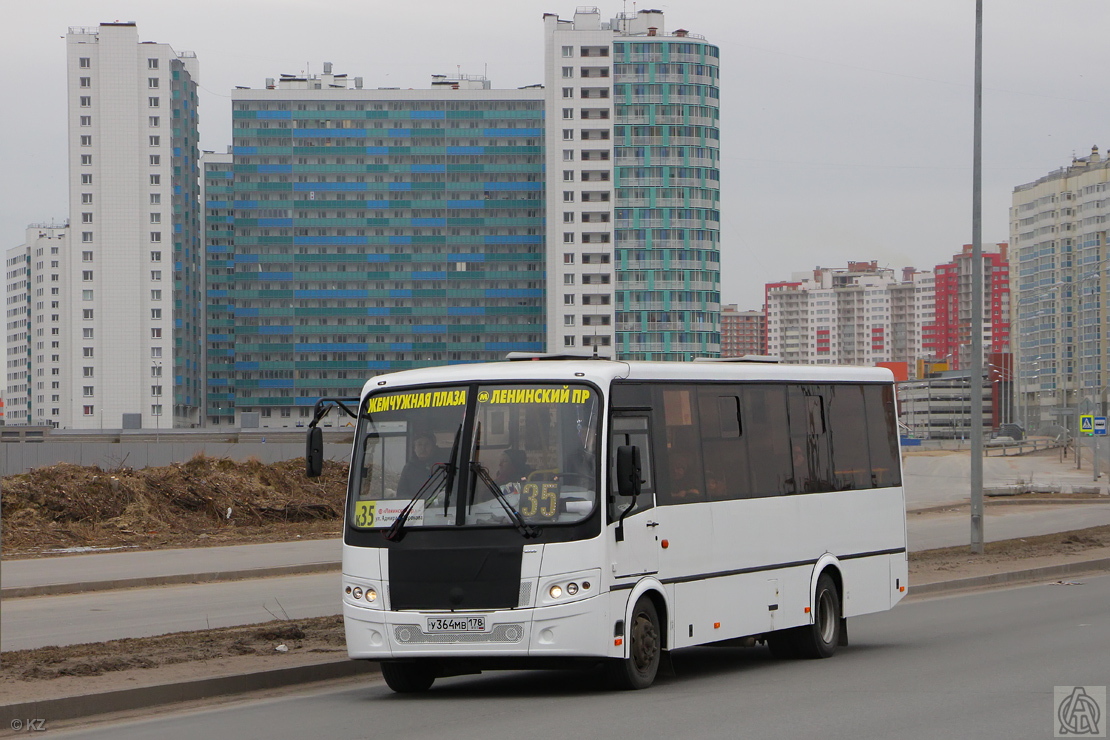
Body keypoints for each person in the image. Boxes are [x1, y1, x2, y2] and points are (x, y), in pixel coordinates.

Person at [397, 431, 445, 498]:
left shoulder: (441, 467)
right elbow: (401, 494)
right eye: (419, 444)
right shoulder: (408, 468)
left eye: (427, 444)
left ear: (433, 448)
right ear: (414, 448)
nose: (423, 448)